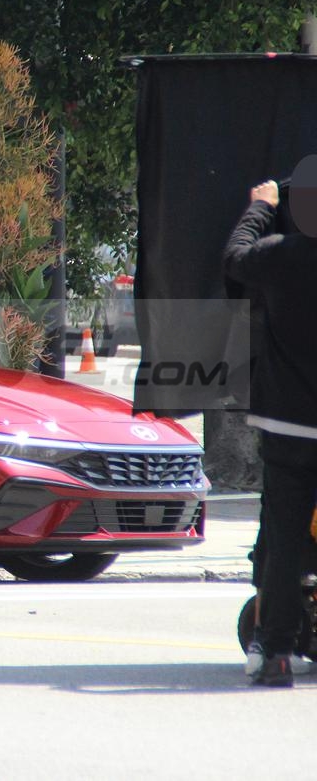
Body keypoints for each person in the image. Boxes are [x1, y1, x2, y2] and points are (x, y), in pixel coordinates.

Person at [222, 166, 317, 687]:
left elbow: (234, 258)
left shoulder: (283, 256)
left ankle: (277, 650)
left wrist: (261, 206)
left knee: (283, 538)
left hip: (290, 427)